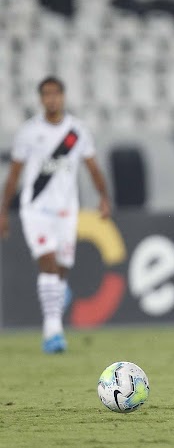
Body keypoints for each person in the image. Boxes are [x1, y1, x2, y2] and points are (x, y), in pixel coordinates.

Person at [0, 76, 111, 353]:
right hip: (36, 208)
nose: (51, 99)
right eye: (46, 94)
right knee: (47, 262)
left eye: (56, 94)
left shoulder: (77, 131)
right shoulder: (28, 132)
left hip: (66, 210)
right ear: (41, 99)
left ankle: (56, 300)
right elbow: (14, 174)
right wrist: (3, 209)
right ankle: (53, 331)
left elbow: (93, 168)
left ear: (63, 97)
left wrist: (103, 198)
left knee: (61, 268)